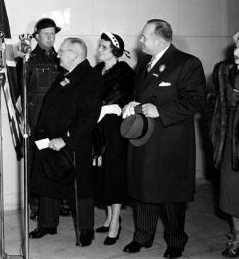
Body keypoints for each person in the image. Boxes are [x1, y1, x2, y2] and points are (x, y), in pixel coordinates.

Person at [122, 19, 206, 259]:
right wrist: (132, 103)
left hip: (170, 140)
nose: (140, 41)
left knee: (170, 192)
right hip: (144, 137)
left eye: (144, 37)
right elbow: (138, 93)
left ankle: (176, 240)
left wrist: (162, 111)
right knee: (144, 187)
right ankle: (143, 236)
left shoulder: (187, 63)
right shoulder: (144, 64)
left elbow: (196, 99)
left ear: (159, 39)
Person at [29, 38, 102, 246]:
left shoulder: (90, 78)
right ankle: (47, 224)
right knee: (48, 181)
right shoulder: (64, 75)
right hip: (50, 139)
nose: (58, 54)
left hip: (72, 142)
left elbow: (88, 117)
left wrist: (66, 140)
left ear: (75, 55)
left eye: (62, 51)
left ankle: (86, 230)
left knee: (80, 188)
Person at [17, 17, 62, 220]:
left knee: (57, 161)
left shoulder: (62, 58)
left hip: (57, 121)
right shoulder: (28, 60)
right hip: (36, 121)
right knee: (36, 164)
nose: (50, 37)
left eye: (53, 33)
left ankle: (56, 203)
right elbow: (21, 94)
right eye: (46, 34)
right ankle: (35, 205)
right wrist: (24, 120)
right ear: (36, 36)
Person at [93, 32, 134, 245]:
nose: (99, 50)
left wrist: (110, 107)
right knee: (102, 173)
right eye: (99, 46)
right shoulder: (96, 70)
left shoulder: (125, 72)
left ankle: (116, 223)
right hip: (98, 129)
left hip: (115, 129)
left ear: (115, 51)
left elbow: (128, 99)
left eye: (104, 48)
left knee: (115, 174)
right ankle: (109, 217)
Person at [208, 32, 239, 258]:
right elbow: (214, 103)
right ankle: (237, 237)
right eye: (236, 47)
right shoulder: (226, 72)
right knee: (231, 193)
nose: (235, 52)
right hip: (231, 143)